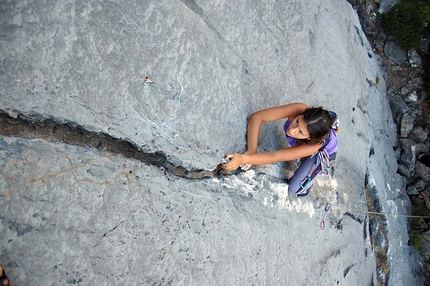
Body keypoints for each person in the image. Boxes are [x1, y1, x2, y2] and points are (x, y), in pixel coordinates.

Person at [221, 102, 339, 196]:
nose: (292, 130)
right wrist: (251, 151)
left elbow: (276, 156)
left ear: (309, 138)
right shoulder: (299, 108)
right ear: (303, 113)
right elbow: (258, 117)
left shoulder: (312, 146)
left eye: (300, 132)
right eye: (297, 122)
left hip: (323, 153)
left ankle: (306, 185)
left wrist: (242, 158)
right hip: (308, 143)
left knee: (294, 189)